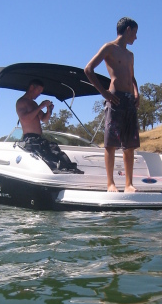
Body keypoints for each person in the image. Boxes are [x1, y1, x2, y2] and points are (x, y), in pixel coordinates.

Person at [84, 17, 140, 193]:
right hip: (115, 98)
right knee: (111, 143)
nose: (136, 38)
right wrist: (104, 93)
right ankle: (110, 184)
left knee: (130, 144)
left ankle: (129, 184)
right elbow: (88, 69)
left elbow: (132, 78)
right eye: (135, 33)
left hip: (130, 100)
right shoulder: (109, 48)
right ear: (128, 29)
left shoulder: (130, 55)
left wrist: (137, 93)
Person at [16, 79, 82, 173]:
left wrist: (49, 110)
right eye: (38, 91)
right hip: (30, 139)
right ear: (31, 88)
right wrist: (40, 106)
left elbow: (44, 119)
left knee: (56, 154)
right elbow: (25, 118)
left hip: (39, 138)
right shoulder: (21, 102)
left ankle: (68, 171)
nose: (39, 94)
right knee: (48, 161)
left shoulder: (33, 104)